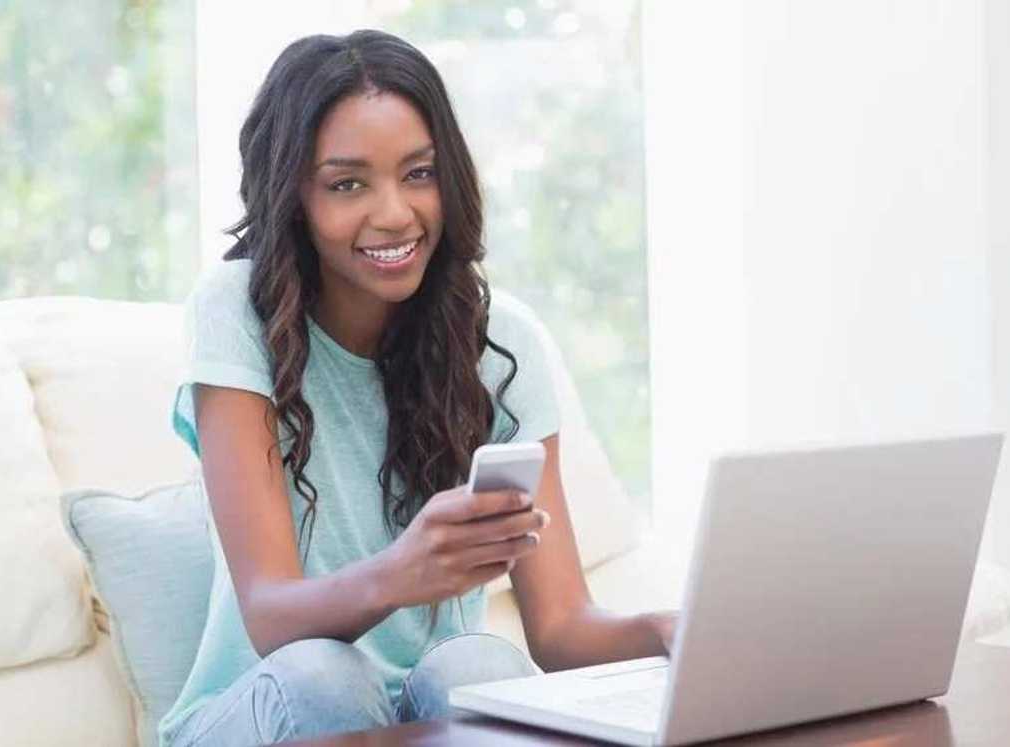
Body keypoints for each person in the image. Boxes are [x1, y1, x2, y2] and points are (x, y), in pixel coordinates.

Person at [158, 29, 677, 747]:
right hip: (263, 709)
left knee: (480, 663)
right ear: (294, 196)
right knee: (324, 676)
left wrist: (667, 628)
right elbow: (270, 615)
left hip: (422, 714)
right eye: (347, 184)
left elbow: (559, 630)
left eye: (419, 174)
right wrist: (402, 571)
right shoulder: (235, 311)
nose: (395, 213)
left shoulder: (504, 343)